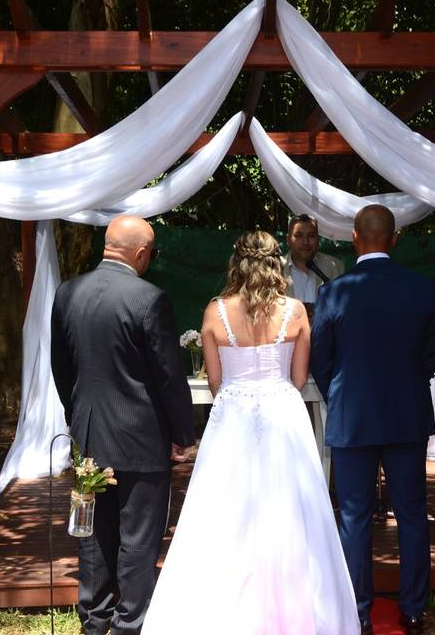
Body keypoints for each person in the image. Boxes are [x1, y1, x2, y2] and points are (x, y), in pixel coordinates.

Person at [141, 231, 359, 635]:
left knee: (224, 509)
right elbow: (297, 378)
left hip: (233, 416)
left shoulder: (214, 312)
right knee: (293, 509)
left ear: (235, 261)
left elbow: (217, 381)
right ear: (277, 261)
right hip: (283, 413)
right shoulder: (295, 311)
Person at [50, 216, 195, 635]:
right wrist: (182, 435)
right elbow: (169, 376)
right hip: (142, 438)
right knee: (138, 535)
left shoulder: (67, 293)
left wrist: (79, 415)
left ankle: (94, 621)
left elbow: (62, 368)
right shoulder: (149, 299)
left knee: (93, 534)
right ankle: (130, 622)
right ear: (141, 253)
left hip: (90, 433)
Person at [311, 205, 435, 635]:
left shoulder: (335, 292)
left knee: (354, 516)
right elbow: (429, 357)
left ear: (354, 238)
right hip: (406, 415)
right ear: (395, 239)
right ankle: (415, 611)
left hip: (353, 416)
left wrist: (342, 393)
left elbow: (321, 360)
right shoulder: (420, 289)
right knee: (412, 513)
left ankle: (358, 611)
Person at [282, 213, 344, 311]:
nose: (305, 242)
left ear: (318, 239)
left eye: (311, 236)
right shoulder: (276, 268)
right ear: (288, 239)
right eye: (299, 236)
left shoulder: (335, 266)